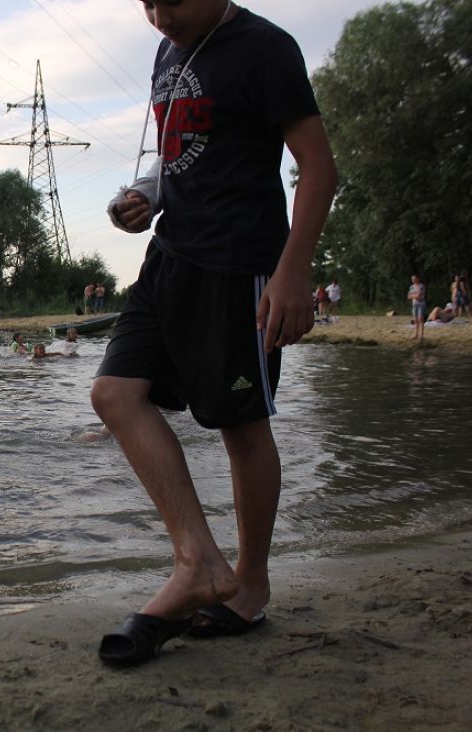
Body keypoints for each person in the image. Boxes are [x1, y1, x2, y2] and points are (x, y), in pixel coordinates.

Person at [95, 0, 337, 666]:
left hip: (239, 263)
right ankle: (198, 559)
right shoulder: (168, 51)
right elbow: (186, 160)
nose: (158, 15)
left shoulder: (266, 48)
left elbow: (318, 167)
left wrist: (294, 272)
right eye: (146, 2)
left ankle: (250, 585)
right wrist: (146, 194)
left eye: (170, 0)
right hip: (170, 255)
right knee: (115, 393)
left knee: (241, 423)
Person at [408, 274, 427, 340]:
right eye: (412, 279)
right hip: (414, 304)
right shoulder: (411, 287)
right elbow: (409, 296)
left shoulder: (421, 286)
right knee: (415, 320)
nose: (413, 280)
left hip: (421, 304)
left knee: (420, 319)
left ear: (417, 279)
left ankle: (421, 335)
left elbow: (419, 295)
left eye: (414, 279)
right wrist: (414, 296)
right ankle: (415, 334)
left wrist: (413, 295)